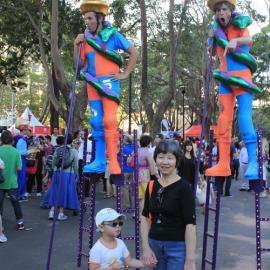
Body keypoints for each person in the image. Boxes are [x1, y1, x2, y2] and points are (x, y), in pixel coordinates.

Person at [74, 0, 138, 176]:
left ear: (100, 18)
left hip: (109, 82)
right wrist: (76, 45)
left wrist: (124, 73)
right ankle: (100, 161)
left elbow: (134, 53)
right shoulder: (85, 39)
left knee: (110, 120)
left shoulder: (113, 35)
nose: (86, 21)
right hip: (92, 84)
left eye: (89, 18)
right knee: (96, 122)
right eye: (85, 18)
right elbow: (79, 64)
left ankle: (114, 162)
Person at [205, 0, 261, 181]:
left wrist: (235, 40)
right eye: (218, 10)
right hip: (225, 81)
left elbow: (249, 40)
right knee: (223, 120)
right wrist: (211, 38)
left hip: (243, 78)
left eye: (224, 9)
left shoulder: (239, 25)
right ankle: (223, 163)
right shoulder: (216, 30)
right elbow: (212, 52)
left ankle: (253, 161)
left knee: (244, 118)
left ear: (230, 11)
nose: (221, 12)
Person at [141, 140, 196, 270]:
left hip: (177, 247)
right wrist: (146, 248)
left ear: (177, 161)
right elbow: (144, 218)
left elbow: (190, 225)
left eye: (170, 158)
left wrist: (190, 260)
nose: (165, 162)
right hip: (154, 245)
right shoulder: (152, 185)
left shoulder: (184, 187)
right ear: (155, 159)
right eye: (161, 157)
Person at [48, 134, 79, 220]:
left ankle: (51, 212)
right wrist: (76, 174)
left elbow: (53, 161)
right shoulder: (74, 151)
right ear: (71, 141)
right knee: (63, 192)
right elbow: (76, 165)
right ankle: (60, 213)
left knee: (55, 191)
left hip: (57, 172)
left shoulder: (58, 149)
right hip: (68, 174)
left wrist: (54, 169)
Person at [0, 130, 24, 230]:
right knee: (15, 203)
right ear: (12, 140)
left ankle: (0, 224)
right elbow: (19, 168)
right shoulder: (16, 152)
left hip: (0, 182)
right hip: (12, 182)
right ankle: (20, 223)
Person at [14, 118, 29, 200]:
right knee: (21, 178)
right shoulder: (21, 139)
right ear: (24, 130)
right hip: (21, 159)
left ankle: (18, 194)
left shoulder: (17, 138)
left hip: (18, 159)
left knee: (18, 177)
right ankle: (19, 195)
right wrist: (28, 152)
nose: (28, 131)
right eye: (27, 130)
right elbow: (20, 151)